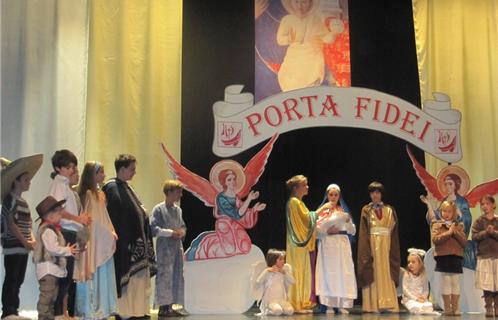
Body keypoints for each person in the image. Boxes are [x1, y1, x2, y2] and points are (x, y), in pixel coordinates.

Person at [102, 154, 156, 319]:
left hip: (136, 244)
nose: (134, 172)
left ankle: (138, 310)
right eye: (132, 169)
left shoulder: (126, 187)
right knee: (128, 280)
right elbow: (115, 216)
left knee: (138, 280)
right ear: (123, 169)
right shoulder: (112, 188)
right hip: (125, 244)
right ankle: (126, 312)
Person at [184, 163, 266, 260]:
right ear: (225, 182)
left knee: (245, 247)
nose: (233, 182)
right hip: (225, 225)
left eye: (234, 179)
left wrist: (254, 209)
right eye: (229, 179)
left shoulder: (235, 197)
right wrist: (249, 199)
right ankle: (202, 247)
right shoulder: (221, 198)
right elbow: (237, 214)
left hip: (235, 225)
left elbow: (242, 212)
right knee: (229, 250)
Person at [48, 149, 90, 319]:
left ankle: (63, 311)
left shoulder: (65, 185)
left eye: (74, 166)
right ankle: (58, 312)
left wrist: (79, 222)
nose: (72, 170)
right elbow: (57, 209)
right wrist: (78, 219)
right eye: (68, 167)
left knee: (67, 274)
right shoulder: (59, 184)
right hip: (64, 231)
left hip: (70, 232)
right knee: (63, 274)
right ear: (58, 168)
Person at [1, 154, 43, 320]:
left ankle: (13, 310)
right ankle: (8, 311)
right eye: (26, 179)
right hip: (13, 246)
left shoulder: (23, 202)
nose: (29, 182)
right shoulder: (10, 200)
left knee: (18, 279)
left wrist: (31, 239)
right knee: (12, 278)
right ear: (16, 181)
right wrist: (25, 241)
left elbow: (27, 224)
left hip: (23, 246)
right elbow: (11, 223)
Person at [74, 161, 118, 319]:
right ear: (92, 175)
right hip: (94, 238)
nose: (104, 175)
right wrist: (106, 232)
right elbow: (91, 217)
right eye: (100, 172)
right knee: (93, 268)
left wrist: (110, 231)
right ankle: (90, 308)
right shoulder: (87, 194)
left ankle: (103, 307)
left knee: (103, 271)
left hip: (102, 237)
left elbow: (104, 217)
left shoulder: (100, 194)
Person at [277, 0, 340, 91]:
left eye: (304, 2)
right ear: (291, 3)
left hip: (313, 59)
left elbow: (327, 39)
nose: (300, 6)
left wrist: (334, 33)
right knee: (290, 84)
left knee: (309, 88)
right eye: (296, 2)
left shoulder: (317, 18)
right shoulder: (287, 19)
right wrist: (289, 38)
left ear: (310, 3)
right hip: (293, 59)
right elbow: (280, 40)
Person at [33, 196, 79, 320]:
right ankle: (43, 316)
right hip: (48, 270)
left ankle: (48, 316)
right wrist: (67, 250)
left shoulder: (52, 230)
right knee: (47, 295)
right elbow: (53, 248)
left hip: (52, 270)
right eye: (59, 212)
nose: (61, 215)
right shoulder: (47, 230)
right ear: (50, 216)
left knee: (53, 295)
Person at [357, 181, 400, 313]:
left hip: (386, 244)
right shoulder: (366, 210)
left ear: (381, 194)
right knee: (373, 270)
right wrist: (366, 247)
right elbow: (364, 231)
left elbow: (394, 230)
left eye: (377, 192)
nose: (375, 195)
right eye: (372, 193)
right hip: (372, 243)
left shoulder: (389, 210)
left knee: (386, 270)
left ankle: (388, 303)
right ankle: (373, 304)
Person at [315, 183, 356, 314]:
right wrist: (327, 231)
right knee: (329, 274)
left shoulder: (343, 211)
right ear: (327, 196)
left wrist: (348, 221)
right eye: (331, 195)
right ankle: (329, 305)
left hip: (342, 244)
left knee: (342, 273)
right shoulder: (322, 211)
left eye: (335, 195)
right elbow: (315, 230)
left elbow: (353, 231)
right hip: (328, 244)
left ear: (339, 196)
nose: (333, 197)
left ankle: (341, 304)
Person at [421, 172, 475, 269]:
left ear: (456, 185)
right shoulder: (444, 202)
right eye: (445, 184)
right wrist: (428, 204)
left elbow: (467, 219)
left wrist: (460, 214)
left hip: (456, 246)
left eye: (450, 184)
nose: (447, 186)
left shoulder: (462, 201)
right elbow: (434, 219)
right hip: (444, 250)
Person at [150, 180, 187, 317]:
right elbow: (153, 229)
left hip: (176, 248)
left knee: (176, 274)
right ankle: (163, 307)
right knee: (164, 276)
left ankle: (171, 305)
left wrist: (181, 232)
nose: (180, 195)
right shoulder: (159, 209)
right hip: (165, 249)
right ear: (169, 192)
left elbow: (183, 226)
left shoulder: (178, 210)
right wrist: (171, 233)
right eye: (178, 192)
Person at [285, 175, 317, 313]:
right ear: (296, 188)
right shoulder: (294, 202)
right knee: (297, 269)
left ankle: (302, 302)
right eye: (304, 185)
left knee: (302, 270)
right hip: (297, 244)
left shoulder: (299, 203)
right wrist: (320, 212)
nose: (307, 187)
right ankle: (296, 303)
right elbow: (307, 219)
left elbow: (307, 218)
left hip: (300, 245)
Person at [431, 200, 467, 315]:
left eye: (449, 211)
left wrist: (454, 232)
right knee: (446, 281)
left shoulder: (459, 226)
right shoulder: (437, 225)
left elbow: (464, 242)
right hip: (443, 257)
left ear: (454, 213)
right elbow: (435, 240)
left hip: (455, 257)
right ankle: (447, 308)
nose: (446, 214)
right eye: (444, 211)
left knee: (455, 282)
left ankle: (456, 308)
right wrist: (448, 233)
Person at [471, 195, 498, 317]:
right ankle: (488, 308)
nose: (484, 206)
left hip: (497, 256)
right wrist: (486, 232)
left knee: (497, 284)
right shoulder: (479, 221)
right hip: (485, 256)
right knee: (487, 284)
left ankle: (497, 308)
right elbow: (474, 237)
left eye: (487, 203)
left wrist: (494, 233)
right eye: (482, 204)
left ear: (493, 205)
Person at [255, 249, 295, 316]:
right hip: (270, 300)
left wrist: (285, 273)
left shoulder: (283, 271)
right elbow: (258, 282)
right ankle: (268, 310)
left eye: (283, 259)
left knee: (290, 311)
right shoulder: (268, 271)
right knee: (278, 311)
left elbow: (293, 281)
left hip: (281, 299)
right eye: (280, 259)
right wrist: (267, 271)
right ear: (273, 260)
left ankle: (280, 309)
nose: (283, 261)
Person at [401, 248, 437, 314]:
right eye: (409, 262)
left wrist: (423, 297)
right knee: (414, 306)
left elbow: (426, 289)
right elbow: (405, 289)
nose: (410, 264)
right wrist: (415, 298)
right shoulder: (407, 274)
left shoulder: (423, 275)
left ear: (420, 264)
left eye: (413, 262)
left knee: (428, 306)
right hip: (410, 298)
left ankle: (422, 309)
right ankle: (418, 309)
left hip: (420, 298)